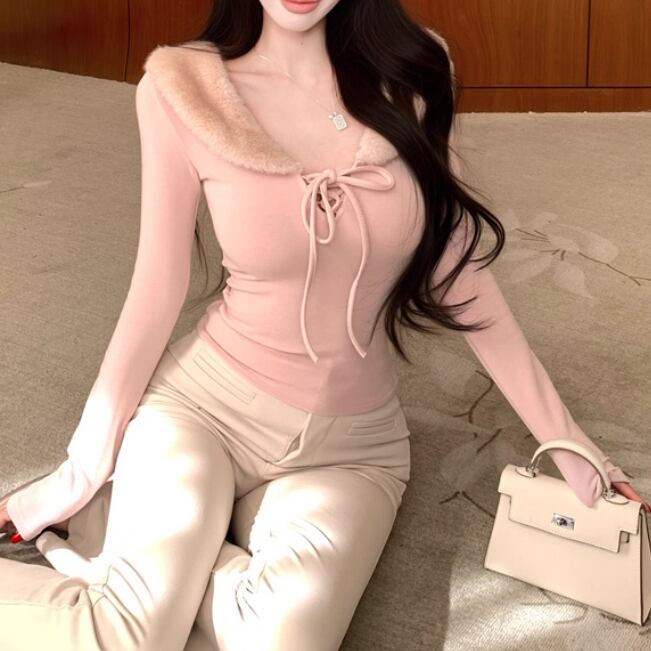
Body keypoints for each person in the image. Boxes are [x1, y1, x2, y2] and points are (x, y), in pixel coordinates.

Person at [1, 0, 649, 649]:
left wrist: (568, 442)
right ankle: (140, 555)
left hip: (352, 450)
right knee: (128, 635)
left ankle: (149, 551)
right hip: (203, 411)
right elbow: (156, 287)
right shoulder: (181, 87)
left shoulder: (415, 70)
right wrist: (80, 470)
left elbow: (459, 275)